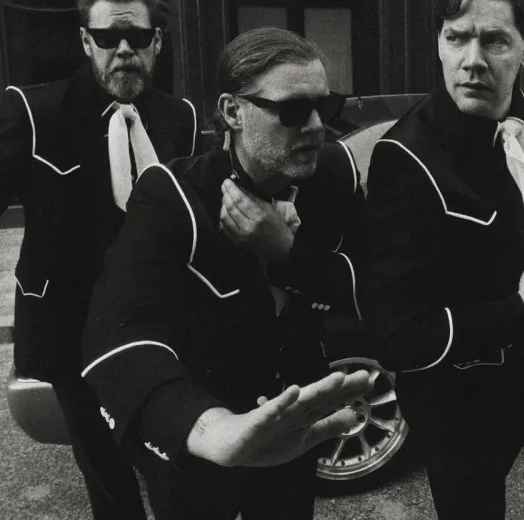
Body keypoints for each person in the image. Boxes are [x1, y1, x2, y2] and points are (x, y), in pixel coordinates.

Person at [80, 27, 372, 520]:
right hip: (203, 451)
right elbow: (115, 331)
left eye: (326, 105)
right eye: (293, 110)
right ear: (233, 111)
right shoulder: (171, 194)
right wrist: (212, 430)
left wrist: (288, 253)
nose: (317, 126)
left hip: (294, 434)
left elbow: (377, 286)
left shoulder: (334, 176)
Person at [357, 0, 524, 519]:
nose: (472, 62)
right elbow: (398, 335)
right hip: (456, 409)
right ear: (439, 42)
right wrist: (521, 307)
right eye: (457, 38)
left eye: (495, 41)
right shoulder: (406, 158)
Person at [0, 0, 200, 520]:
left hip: (158, 324)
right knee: (106, 474)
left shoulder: (179, 118)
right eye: (109, 37)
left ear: (157, 41)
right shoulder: (35, 112)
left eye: (137, 36)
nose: (124, 50)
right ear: (87, 41)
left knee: (174, 466)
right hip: (69, 331)